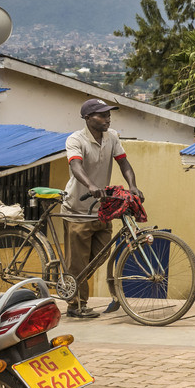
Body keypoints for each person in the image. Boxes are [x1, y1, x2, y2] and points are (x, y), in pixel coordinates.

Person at [63, 98, 143, 320]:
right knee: (77, 260)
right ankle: (75, 303)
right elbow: (75, 165)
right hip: (77, 208)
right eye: (102, 115)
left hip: (101, 208)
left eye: (109, 114)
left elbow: (124, 163)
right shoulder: (76, 140)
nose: (107, 118)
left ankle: (71, 281)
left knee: (101, 253)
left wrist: (133, 186)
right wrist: (90, 185)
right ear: (88, 118)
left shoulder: (112, 137)